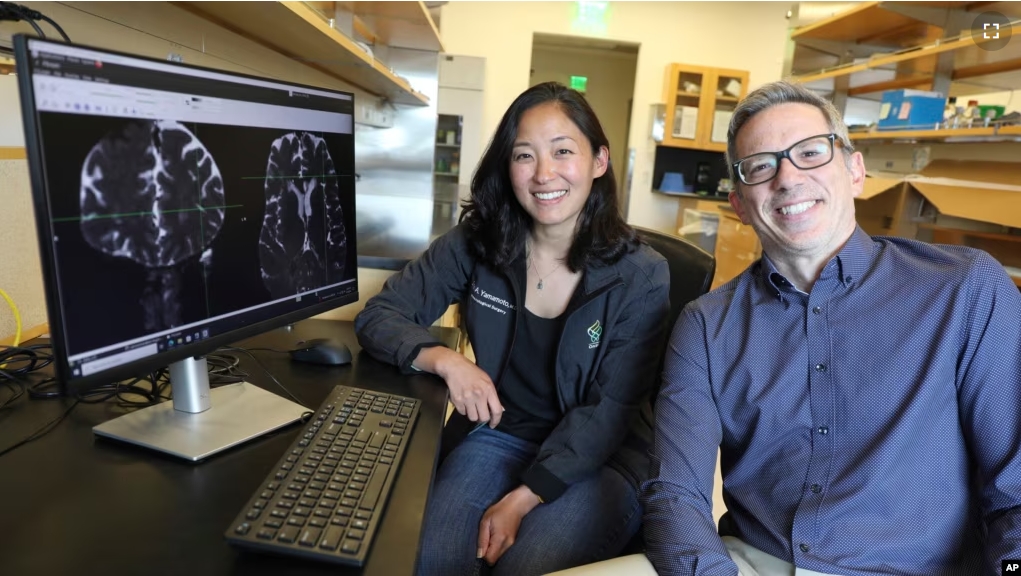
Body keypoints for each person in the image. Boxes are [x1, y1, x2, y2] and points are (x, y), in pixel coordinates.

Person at [641, 80, 1021, 576]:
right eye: (761, 166)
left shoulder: (965, 290)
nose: (788, 178)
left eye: (810, 153)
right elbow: (675, 494)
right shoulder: (706, 326)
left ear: (855, 170)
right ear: (739, 203)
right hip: (756, 563)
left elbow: (1015, 492)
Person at [355, 81, 670, 576]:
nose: (544, 174)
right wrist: (446, 360)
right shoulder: (478, 242)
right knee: (430, 561)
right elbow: (380, 315)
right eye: (525, 155)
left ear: (599, 162)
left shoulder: (640, 273)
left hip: (602, 458)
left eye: (563, 151)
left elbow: (610, 410)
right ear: (508, 166)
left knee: (525, 568)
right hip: (501, 434)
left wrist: (524, 498)